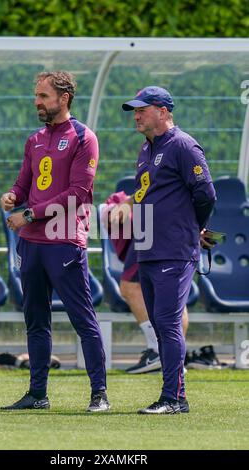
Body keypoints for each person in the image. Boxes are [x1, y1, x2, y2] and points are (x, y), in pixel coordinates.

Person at [0, 71, 109, 412]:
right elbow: (24, 184)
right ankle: (37, 394)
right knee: (35, 319)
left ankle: (99, 395)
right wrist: (12, 195)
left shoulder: (83, 137)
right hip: (31, 244)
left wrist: (29, 214)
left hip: (64, 242)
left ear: (64, 98)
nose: (37, 102)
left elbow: (78, 195)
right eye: (36, 96)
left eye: (44, 96)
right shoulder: (34, 139)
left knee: (82, 319)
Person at [122, 86, 216, 414]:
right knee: (161, 324)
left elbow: (206, 194)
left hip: (174, 249)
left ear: (162, 112)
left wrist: (194, 229)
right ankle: (172, 394)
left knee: (168, 322)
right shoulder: (145, 150)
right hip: (149, 248)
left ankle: (175, 398)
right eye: (134, 110)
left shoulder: (183, 145)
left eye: (141, 109)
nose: (136, 115)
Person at [107, 193, 189, 374]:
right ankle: (175, 358)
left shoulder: (159, 165)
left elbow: (154, 185)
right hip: (178, 226)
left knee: (130, 286)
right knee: (173, 291)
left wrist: (128, 203)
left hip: (154, 228)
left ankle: (158, 351)